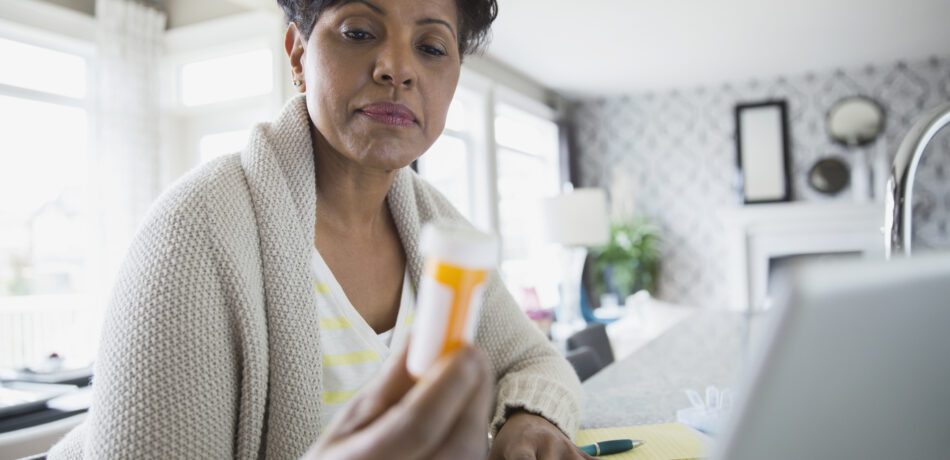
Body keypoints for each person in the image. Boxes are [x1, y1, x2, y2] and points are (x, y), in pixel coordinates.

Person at [49, 0, 588, 458]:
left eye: (431, 47)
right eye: (358, 32)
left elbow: (535, 360)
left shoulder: (440, 227)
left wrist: (528, 416)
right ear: (298, 55)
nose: (396, 68)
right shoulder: (194, 233)